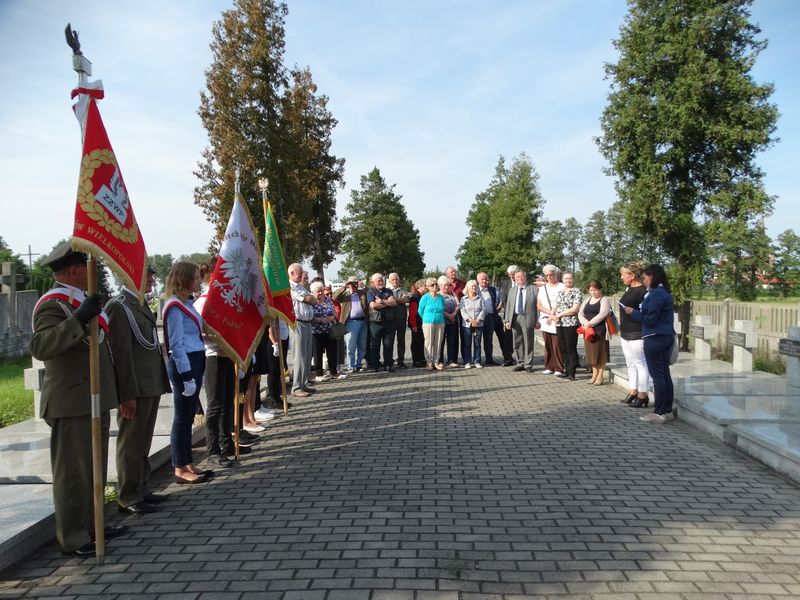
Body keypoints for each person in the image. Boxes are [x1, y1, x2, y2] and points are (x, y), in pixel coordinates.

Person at [30, 241, 127, 557]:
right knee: (73, 473)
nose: (93, 273)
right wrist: (77, 319)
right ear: (73, 270)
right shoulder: (53, 304)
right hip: (70, 402)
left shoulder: (80, 300)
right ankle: (73, 537)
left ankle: (93, 524)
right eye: (89, 267)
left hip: (93, 398)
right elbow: (41, 345)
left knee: (94, 468)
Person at [106, 265, 172, 514]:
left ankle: (142, 488)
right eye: (147, 275)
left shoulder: (140, 305)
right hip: (135, 387)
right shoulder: (119, 306)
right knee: (131, 444)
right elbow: (120, 355)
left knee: (143, 442)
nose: (152, 280)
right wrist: (126, 394)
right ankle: (128, 496)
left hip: (150, 384)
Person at [163, 261, 209, 484]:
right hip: (185, 363)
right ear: (184, 279)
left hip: (196, 358)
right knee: (182, 418)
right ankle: (179, 466)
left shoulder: (187, 303)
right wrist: (186, 375)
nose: (199, 280)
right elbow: (176, 344)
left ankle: (187, 461)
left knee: (189, 415)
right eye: (196, 277)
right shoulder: (173, 306)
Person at [623, 264, 676, 423]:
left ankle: (658, 412)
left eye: (645, 278)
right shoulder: (662, 292)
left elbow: (650, 319)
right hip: (665, 336)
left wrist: (634, 313)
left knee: (658, 376)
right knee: (664, 374)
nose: (643, 281)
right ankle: (666, 410)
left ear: (652, 276)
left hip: (655, 337)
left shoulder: (656, 294)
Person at [618, 262, 651, 408]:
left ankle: (643, 394)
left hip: (637, 332)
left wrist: (633, 311)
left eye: (623, 274)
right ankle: (633, 391)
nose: (621, 277)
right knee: (630, 363)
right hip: (625, 331)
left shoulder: (643, 291)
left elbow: (647, 313)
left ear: (631, 275)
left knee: (640, 364)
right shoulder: (628, 288)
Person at [288, 263, 316, 397]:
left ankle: (304, 383)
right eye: (299, 274)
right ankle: (296, 387)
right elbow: (306, 299)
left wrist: (310, 299)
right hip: (297, 323)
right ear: (292, 273)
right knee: (299, 356)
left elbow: (313, 300)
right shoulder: (289, 287)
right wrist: (309, 299)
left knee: (307, 355)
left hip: (307, 323)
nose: (301, 276)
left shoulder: (300, 286)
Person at [503, 269, 539, 372]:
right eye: (518, 277)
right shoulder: (512, 290)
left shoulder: (533, 289)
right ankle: (520, 362)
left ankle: (528, 364)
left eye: (522, 276)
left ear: (526, 277)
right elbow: (508, 306)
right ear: (514, 278)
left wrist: (538, 320)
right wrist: (507, 320)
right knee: (517, 341)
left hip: (528, 318)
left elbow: (538, 306)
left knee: (528, 341)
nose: (520, 278)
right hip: (515, 318)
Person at [578, 279, 611, 386]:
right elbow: (580, 313)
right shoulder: (587, 300)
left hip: (600, 331)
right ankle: (594, 374)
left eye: (595, 290)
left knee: (601, 353)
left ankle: (600, 376)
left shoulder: (604, 300)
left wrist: (590, 323)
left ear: (600, 289)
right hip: (588, 331)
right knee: (591, 353)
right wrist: (585, 323)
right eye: (591, 290)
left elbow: (603, 314)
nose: (593, 292)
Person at [333, 276, 368, 372]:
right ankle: (351, 365)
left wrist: (363, 286)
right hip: (351, 322)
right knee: (351, 345)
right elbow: (334, 298)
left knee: (362, 345)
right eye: (352, 283)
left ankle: (358, 364)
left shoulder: (362, 293)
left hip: (363, 321)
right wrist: (344, 286)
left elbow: (370, 294)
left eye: (355, 283)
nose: (354, 285)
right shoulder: (345, 294)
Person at [311, 280, 344, 381]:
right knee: (318, 353)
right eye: (318, 291)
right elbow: (310, 317)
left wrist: (332, 317)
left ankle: (334, 372)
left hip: (330, 330)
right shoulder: (311, 301)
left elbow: (335, 312)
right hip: (316, 332)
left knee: (332, 352)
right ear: (313, 292)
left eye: (321, 290)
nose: (320, 293)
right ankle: (319, 374)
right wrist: (321, 320)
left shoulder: (328, 299)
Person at [553, 271, 582, 381]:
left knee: (571, 348)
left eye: (570, 278)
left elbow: (574, 309)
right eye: (566, 279)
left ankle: (572, 372)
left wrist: (559, 314)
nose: (568, 280)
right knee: (563, 348)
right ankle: (566, 369)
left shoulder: (576, 291)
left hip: (571, 323)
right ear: (562, 280)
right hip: (560, 323)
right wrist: (552, 315)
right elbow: (556, 306)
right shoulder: (560, 292)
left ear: (573, 279)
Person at [537, 264, 565, 375]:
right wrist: (549, 313)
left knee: (557, 344)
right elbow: (538, 305)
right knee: (547, 343)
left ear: (556, 274)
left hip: (558, 318)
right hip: (545, 319)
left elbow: (562, 303)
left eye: (552, 274)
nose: (550, 277)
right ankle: (549, 366)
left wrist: (554, 315)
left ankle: (558, 367)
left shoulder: (562, 287)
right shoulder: (542, 288)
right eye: (547, 275)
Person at [366, 273, 397, 371]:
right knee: (375, 345)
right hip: (375, 323)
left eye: (382, 280)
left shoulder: (388, 291)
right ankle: (375, 365)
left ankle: (388, 364)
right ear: (374, 282)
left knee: (388, 345)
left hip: (388, 322)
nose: (380, 282)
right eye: (378, 281)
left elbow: (394, 302)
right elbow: (373, 305)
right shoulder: (370, 292)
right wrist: (387, 303)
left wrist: (382, 302)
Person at [476, 272, 506, 366]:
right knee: (477, 340)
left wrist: (499, 306)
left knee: (488, 339)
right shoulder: (474, 289)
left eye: (486, 279)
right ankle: (477, 360)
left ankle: (489, 359)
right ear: (478, 280)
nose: (485, 281)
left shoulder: (493, 289)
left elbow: (500, 299)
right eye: (482, 279)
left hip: (490, 317)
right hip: (478, 319)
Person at [417, 277, 446, 370]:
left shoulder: (441, 298)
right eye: (432, 285)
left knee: (438, 342)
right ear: (428, 287)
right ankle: (429, 362)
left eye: (436, 284)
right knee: (429, 342)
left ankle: (436, 361)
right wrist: (426, 319)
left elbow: (443, 308)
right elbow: (420, 311)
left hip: (440, 322)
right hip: (428, 323)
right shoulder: (425, 297)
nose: (435, 286)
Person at [459, 279, 485, 368]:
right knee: (467, 343)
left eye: (475, 286)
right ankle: (468, 361)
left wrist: (478, 320)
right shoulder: (463, 299)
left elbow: (483, 310)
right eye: (472, 286)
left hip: (479, 324)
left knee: (477, 343)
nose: (474, 288)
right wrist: (470, 320)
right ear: (468, 288)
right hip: (467, 325)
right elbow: (462, 311)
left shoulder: (480, 298)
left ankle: (477, 361)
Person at [387, 272, 410, 369]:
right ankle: (389, 361)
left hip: (401, 319)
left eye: (396, 279)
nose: (395, 281)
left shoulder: (403, 290)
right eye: (393, 279)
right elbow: (387, 301)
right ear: (389, 281)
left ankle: (401, 360)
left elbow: (406, 300)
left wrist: (394, 300)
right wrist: (399, 300)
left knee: (401, 341)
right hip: (390, 319)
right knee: (390, 341)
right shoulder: (387, 291)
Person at [438, 275, 460, 367]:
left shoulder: (452, 294)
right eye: (444, 285)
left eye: (448, 285)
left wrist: (454, 314)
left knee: (452, 341)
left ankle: (451, 360)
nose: (447, 287)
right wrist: (448, 315)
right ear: (440, 286)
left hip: (452, 321)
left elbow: (458, 304)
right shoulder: (438, 295)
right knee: (441, 341)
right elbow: (438, 308)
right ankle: (440, 361)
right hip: (442, 321)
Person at [408, 279, 427, 367]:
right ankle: (416, 360)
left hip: (423, 323)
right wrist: (414, 325)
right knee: (416, 342)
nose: (426, 287)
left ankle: (422, 358)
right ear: (419, 287)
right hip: (416, 323)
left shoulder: (424, 296)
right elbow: (412, 313)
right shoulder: (415, 297)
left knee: (421, 341)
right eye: (424, 286)